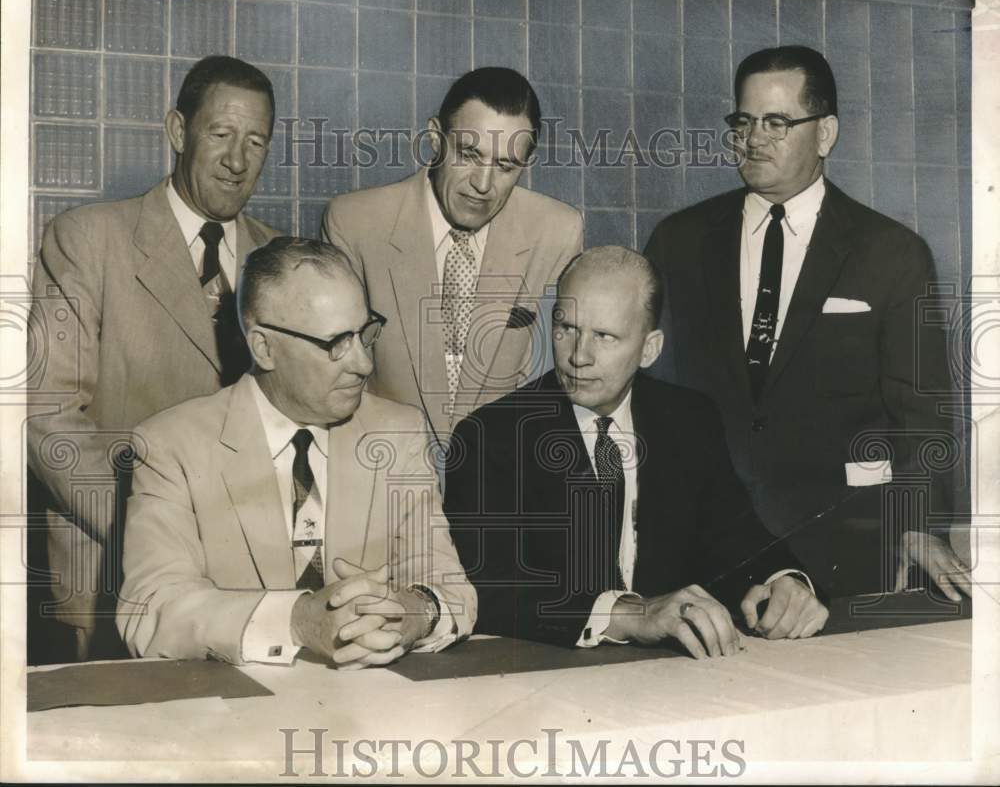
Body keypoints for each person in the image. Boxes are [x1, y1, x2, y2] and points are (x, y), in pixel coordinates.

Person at [643, 45, 970, 601]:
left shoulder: (891, 253)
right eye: (743, 122)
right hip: (703, 552)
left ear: (825, 134)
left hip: (843, 552)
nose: (754, 139)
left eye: (777, 122)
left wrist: (919, 524)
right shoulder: (678, 241)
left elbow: (922, 408)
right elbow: (652, 395)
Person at [444, 247, 827, 656]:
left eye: (604, 336)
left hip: (672, 674)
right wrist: (629, 615)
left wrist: (784, 579)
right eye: (566, 328)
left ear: (650, 348)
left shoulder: (689, 417)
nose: (578, 356)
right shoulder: (489, 435)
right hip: (551, 676)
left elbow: (734, 537)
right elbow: (486, 584)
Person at [26, 55, 281, 663]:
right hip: (115, 577)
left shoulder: (279, 256)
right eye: (220, 135)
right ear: (176, 131)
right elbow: (45, 416)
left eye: (256, 142)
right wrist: (158, 529)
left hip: (255, 584)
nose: (237, 161)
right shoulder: (87, 239)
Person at [117, 237, 476, 666]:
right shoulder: (171, 444)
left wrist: (413, 612)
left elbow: (448, 583)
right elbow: (150, 609)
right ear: (264, 347)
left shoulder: (398, 432)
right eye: (335, 343)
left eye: (365, 335)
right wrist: (298, 620)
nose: (363, 363)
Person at [322, 66, 583, 446]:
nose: (482, 185)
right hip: (382, 471)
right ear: (435, 139)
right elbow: (335, 376)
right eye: (469, 154)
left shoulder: (558, 232)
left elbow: (550, 383)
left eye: (505, 166)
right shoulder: (355, 224)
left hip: (503, 477)